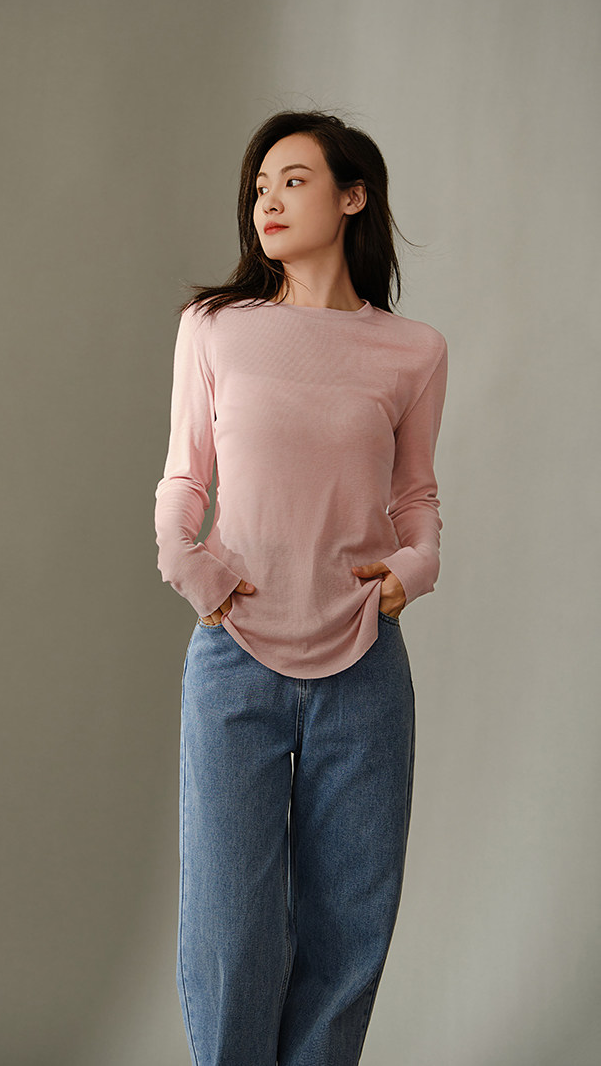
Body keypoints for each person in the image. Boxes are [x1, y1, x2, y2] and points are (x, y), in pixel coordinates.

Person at [154, 109, 448, 1066]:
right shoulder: (215, 329)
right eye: (259, 186)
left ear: (352, 196)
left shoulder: (412, 349)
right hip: (235, 657)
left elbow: (416, 497)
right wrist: (187, 562)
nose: (266, 202)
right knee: (230, 934)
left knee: (348, 933)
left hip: (363, 662)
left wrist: (414, 568)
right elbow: (184, 476)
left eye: (292, 180)